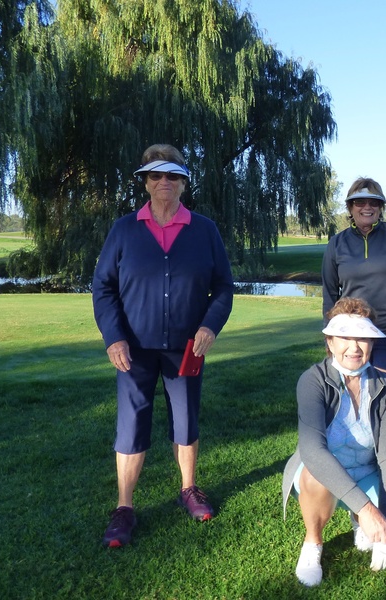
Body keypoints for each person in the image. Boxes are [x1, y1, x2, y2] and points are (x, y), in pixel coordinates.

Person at [92, 144, 234, 548]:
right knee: (131, 423)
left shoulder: (204, 230)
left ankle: (189, 489)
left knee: (186, 419)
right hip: (133, 349)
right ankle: (124, 507)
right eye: (155, 175)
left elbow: (224, 287)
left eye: (172, 175)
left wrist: (210, 325)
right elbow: (103, 287)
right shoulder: (124, 230)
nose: (164, 182)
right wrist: (113, 337)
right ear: (145, 182)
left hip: (187, 348)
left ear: (184, 182)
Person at [282, 297, 386, 587]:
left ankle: (358, 519)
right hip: (320, 473)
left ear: (372, 343)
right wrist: (368, 509)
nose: (354, 347)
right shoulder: (312, 380)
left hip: (365, 471)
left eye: (362, 338)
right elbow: (313, 451)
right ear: (329, 342)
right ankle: (313, 543)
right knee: (315, 476)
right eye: (344, 338)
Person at [322, 177, 386, 385]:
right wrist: (330, 334)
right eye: (360, 202)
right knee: (353, 394)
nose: (367, 207)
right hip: (352, 334)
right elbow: (330, 293)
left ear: (381, 207)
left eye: (374, 202)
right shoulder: (337, 243)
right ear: (350, 207)